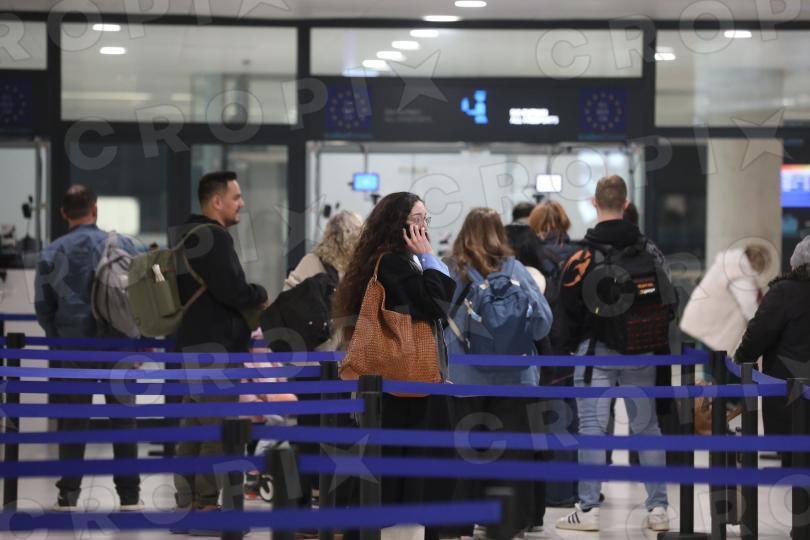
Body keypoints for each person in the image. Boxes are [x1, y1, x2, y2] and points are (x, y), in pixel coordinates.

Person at [332, 192, 455, 540]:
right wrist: (429, 257)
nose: (423, 226)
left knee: (386, 466)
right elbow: (436, 305)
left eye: (425, 219)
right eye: (416, 219)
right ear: (397, 223)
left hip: (398, 383)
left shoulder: (394, 261)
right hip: (399, 383)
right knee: (394, 469)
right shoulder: (392, 264)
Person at [554, 175, 671, 533]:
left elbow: (566, 306)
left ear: (594, 203)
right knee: (647, 427)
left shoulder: (582, 256)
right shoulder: (649, 250)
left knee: (591, 428)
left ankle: (588, 509)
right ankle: (659, 509)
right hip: (642, 347)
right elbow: (669, 299)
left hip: (595, 352)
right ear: (626, 204)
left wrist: (576, 342)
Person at [444, 207, 552, 537]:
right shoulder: (515, 268)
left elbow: (438, 323)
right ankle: (506, 523)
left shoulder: (453, 269)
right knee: (511, 455)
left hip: (465, 378)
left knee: (466, 453)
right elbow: (544, 322)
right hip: (515, 378)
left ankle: (460, 522)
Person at [34, 185, 142, 511]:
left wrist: (58, 339)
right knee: (123, 420)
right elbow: (144, 290)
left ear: (63, 213)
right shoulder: (124, 245)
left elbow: (43, 307)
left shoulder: (52, 252)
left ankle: (68, 495)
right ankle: (129, 495)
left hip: (73, 349)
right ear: (95, 209)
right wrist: (138, 338)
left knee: (73, 421)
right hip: (119, 344)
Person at [172, 171, 269, 518]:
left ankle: (187, 498)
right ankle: (206, 502)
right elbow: (232, 290)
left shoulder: (187, 235)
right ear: (216, 201)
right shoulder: (214, 238)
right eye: (236, 197)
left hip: (192, 343)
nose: (241, 203)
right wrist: (259, 293)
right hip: (217, 347)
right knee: (215, 428)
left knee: (194, 425)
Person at [735, 236, 810, 448]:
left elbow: (760, 332)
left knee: (794, 455)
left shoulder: (785, 292)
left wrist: (742, 357)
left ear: (796, 264)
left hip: (789, 391)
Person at [680, 244, 770, 355]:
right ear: (755, 261)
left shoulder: (730, 264)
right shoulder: (739, 271)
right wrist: (762, 327)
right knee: (713, 361)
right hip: (713, 327)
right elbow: (748, 304)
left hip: (708, 322)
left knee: (708, 357)